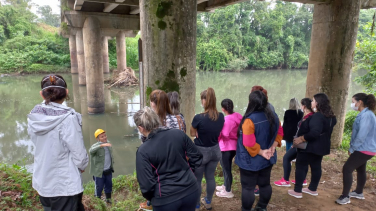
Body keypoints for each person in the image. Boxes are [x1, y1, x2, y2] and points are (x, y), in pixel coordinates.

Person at [27, 74, 89, 211]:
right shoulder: (68, 118)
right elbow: (78, 151)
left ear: (42, 95)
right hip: (65, 184)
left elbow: (37, 143)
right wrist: (82, 164)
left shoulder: (34, 116)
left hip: (43, 180)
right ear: (66, 93)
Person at [135, 107, 203, 211]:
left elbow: (146, 185)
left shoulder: (143, 151)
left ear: (140, 128)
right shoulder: (178, 134)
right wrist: (189, 173)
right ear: (156, 120)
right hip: (190, 190)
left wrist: (154, 198)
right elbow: (197, 156)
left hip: (164, 200)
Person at [235, 91, 282, 211]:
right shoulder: (273, 116)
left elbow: (248, 143)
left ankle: (246, 209)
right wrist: (273, 147)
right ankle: (262, 207)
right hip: (268, 159)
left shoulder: (249, 121)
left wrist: (262, 152)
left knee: (248, 188)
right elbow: (280, 132)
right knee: (265, 184)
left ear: (251, 103)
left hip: (250, 161)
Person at [139, 90, 186, 210]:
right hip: (177, 162)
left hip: (158, 165)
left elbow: (145, 145)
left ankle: (151, 203)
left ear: (153, 104)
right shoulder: (179, 117)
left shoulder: (149, 122)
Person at [288, 93, 337, 199]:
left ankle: (297, 191)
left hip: (310, 147)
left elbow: (314, 132)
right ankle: (312, 189)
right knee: (316, 166)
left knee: (301, 166)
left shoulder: (318, 116)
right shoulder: (331, 117)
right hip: (322, 146)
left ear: (318, 103)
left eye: (313, 101)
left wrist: (301, 139)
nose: (311, 102)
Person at [335, 93, 376, 205]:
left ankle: (345, 196)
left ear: (360, 102)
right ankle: (358, 192)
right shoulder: (365, 114)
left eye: (353, 101)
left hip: (364, 148)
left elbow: (362, 135)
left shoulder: (366, 115)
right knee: (360, 169)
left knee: (347, 168)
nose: (352, 104)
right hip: (366, 148)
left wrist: (352, 149)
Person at [191, 88, 225, 210]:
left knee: (198, 179)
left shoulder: (198, 117)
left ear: (204, 101)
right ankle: (208, 201)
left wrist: (197, 132)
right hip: (215, 150)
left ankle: (196, 204)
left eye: (202, 99)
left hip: (201, 151)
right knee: (210, 177)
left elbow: (192, 132)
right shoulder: (221, 116)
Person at [250, 85, 284, 196]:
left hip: (258, 148)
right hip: (269, 148)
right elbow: (279, 130)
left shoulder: (253, 113)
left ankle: (256, 187)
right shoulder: (271, 109)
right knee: (265, 177)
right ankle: (262, 200)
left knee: (256, 172)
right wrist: (273, 146)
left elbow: (247, 137)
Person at [274, 98, 314, 187]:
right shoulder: (304, 114)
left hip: (300, 142)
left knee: (287, 157)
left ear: (304, 106)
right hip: (301, 142)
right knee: (302, 161)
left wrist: (297, 141)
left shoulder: (308, 117)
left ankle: (286, 180)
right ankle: (302, 180)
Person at [215, 99, 242, 198]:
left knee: (226, 169)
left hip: (226, 147)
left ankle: (228, 191)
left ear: (223, 109)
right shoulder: (238, 115)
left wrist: (219, 133)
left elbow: (225, 134)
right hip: (234, 146)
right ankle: (226, 185)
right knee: (227, 167)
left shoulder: (227, 119)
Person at [89, 129, 114, 204]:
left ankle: (108, 200)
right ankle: (98, 202)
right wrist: (101, 145)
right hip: (99, 172)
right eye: (102, 137)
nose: (104, 137)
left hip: (108, 170)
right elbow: (91, 151)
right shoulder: (95, 146)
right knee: (99, 187)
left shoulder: (108, 144)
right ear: (98, 139)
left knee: (109, 185)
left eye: (105, 135)